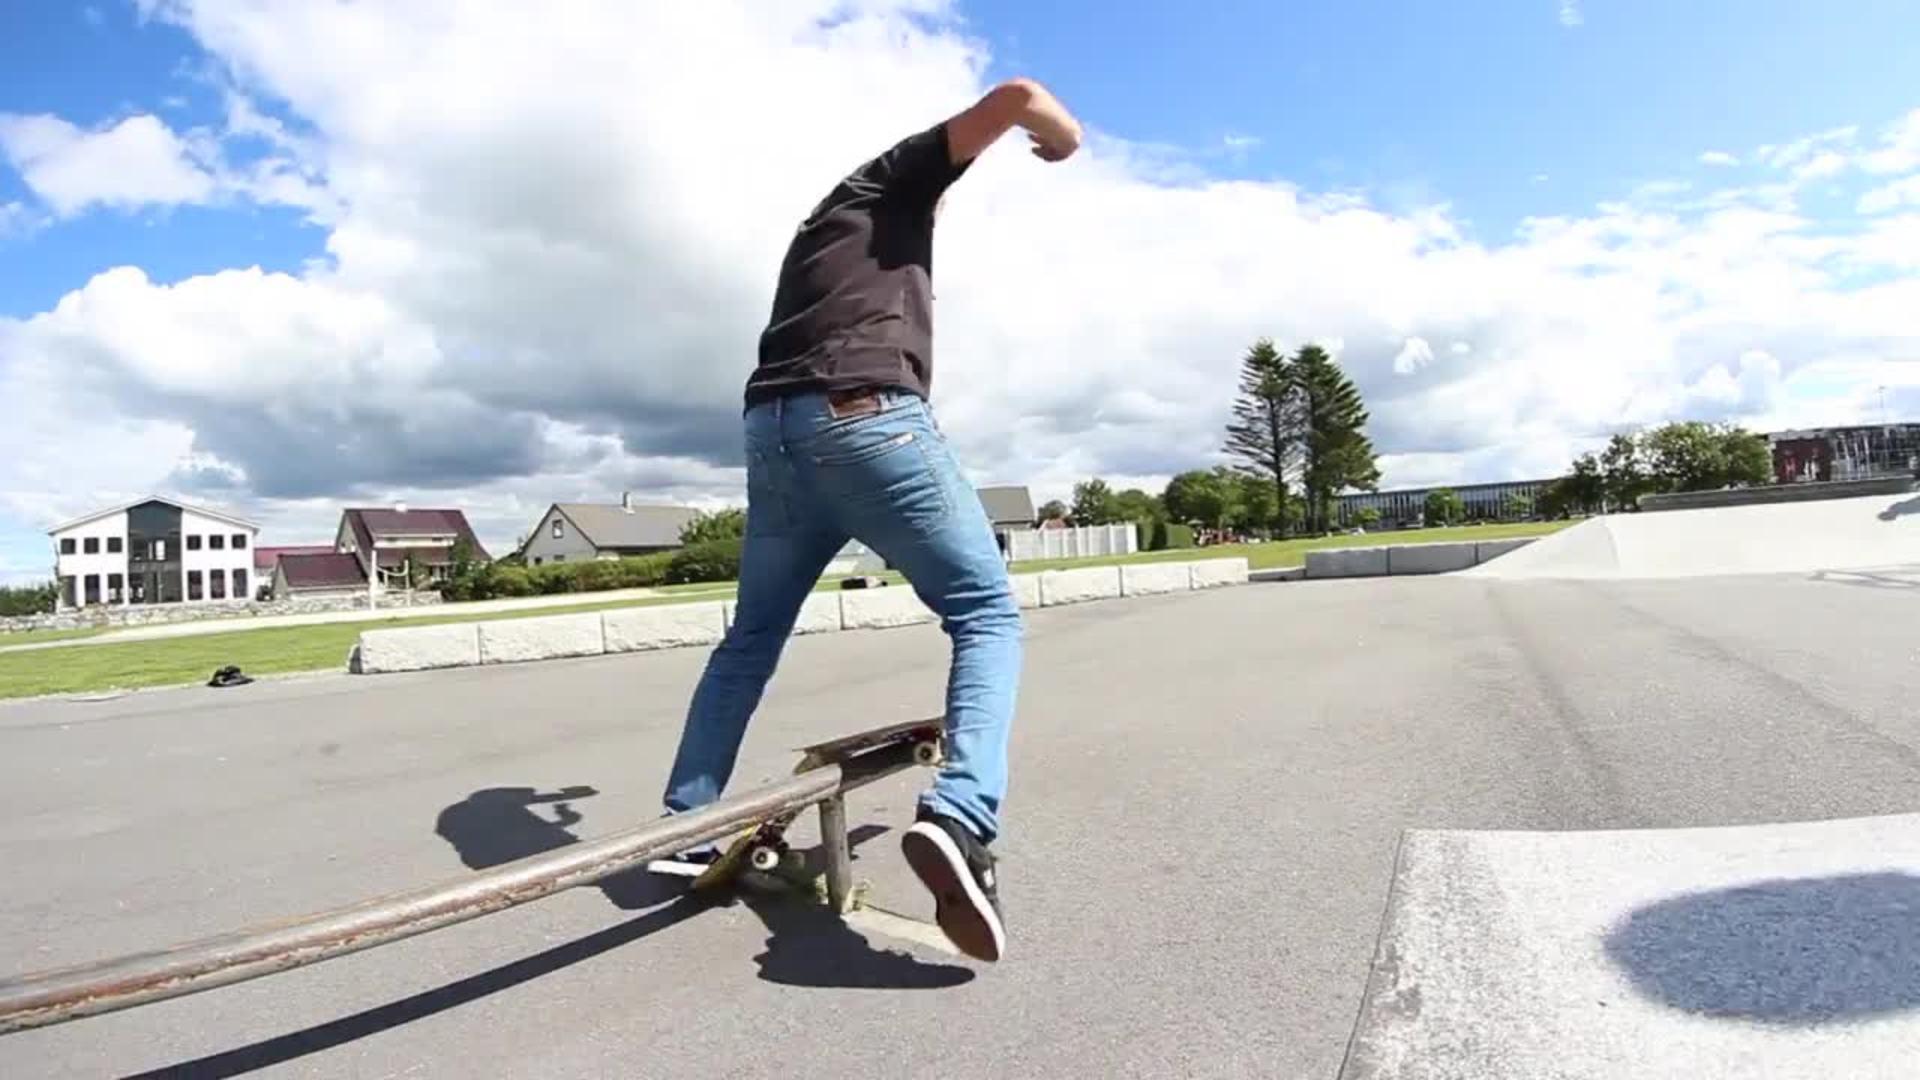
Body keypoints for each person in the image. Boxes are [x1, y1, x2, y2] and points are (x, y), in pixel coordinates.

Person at [648, 77, 1084, 963]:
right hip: (864, 415)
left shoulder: (813, 238)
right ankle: (962, 818)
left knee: (751, 638)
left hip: (771, 435)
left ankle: (687, 819)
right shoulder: (892, 179)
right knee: (986, 612)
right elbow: (1017, 98)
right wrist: (1059, 140)